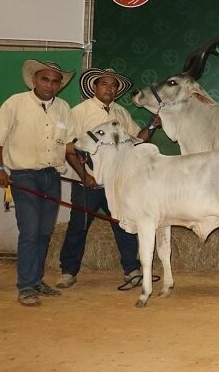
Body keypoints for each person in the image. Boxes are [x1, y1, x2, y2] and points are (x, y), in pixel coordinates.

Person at [56, 68, 160, 290]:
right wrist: (85, 176)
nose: (109, 89)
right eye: (104, 84)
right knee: (79, 225)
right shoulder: (80, 112)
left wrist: (151, 125)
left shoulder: (121, 113)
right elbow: (69, 147)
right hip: (88, 182)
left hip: (117, 183)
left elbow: (137, 140)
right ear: (94, 86)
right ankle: (68, 272)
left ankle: (131, 270)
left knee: (123, 224)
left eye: (113, 86)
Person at [0, 59, 77, 306]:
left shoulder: (64, 108)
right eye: (44, 79)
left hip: (52, 176)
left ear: (60, 85)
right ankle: (26, 286)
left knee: (44, 232)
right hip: (24, 176)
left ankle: (37, 280)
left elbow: (69, 145)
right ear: (34, 80)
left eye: (55, 81)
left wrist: (89, 162)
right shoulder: (15, 103)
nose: (50, 84)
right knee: (30, 231)